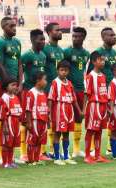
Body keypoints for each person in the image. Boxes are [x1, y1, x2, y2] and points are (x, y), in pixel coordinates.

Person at [0, 17, 23, 163]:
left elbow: (19, 63)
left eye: (15, 25)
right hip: (3, 84)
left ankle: (10, 154)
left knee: (14, 117)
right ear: (4, 27)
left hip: (14, 85)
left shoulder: (17, 42)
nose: (14, 28)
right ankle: (1, 154)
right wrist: (7, 84)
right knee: (2, 117)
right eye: (11, 26)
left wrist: (20, 82)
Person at [87, 28, 116, 155]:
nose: (114, 37)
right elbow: (89, 72)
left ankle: (110, 148)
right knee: (96, 122)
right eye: (111, 35)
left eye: (114, 35)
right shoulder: (97, 52)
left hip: (112, 90)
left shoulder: (114, 52)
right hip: (100, 94)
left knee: (111, 118)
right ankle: (93, 149)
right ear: (103, 37)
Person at [48, 60, 82, 165]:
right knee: (57, 133)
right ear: (58, 70)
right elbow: (50, 99)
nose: (64, 72)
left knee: (66, 134)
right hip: (59, 109)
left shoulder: (69, 83)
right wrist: (49, 113)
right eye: (62, 70)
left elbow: (74, 99)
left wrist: (79, 110)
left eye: (66, 70)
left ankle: (66, 156)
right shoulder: (55, 82)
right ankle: (57, 157)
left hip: (69, 109)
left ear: (68, 72)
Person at [64, 27, 90, 158]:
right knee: (66, 119)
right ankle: (61, 149)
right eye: (73, 36)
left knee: (79, 118)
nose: (75, 38)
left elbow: (87, 71)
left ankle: (76, 149)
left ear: (83, 38)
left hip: (80, 89)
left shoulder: (86, 54)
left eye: (78, 36)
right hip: (68, 90)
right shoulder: (67, 52)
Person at [21, 29, 46, 161]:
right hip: (28, 91)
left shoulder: (43, 55)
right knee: (26, 122)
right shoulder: (27, 55)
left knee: (39, 122)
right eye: (40, 39)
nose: (42, 42)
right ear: (32, 40)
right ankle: (23, 153)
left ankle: (38, 153)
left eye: (43, 39)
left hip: (39, 93)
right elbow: (21, 69)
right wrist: (20, 86)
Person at [84, 51, 110, 164]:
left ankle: (97, 155)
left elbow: (104, 92)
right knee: (91, 130)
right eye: (100, 60)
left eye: (104, 60)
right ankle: (87, 155)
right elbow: (87, 93)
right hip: (94, 105)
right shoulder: (90, 76)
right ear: (94, 62)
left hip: (103, 106)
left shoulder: (103, 76)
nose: (103, 62)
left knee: (99, 131)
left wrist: (108, 106)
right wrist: (84, 108)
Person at [43, 22, 64, 159]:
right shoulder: (44, 49)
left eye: (60, 29)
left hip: (59, 91)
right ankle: (42, 150)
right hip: (46, 89)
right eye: (57, 30)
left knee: (56, 120)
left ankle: (53, 150)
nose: (60, 32)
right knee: (45, 119)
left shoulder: (61, 51)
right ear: (49, 32)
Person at [26, 71, 49, 165]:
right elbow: (28, 108)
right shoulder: (31, 92)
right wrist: (28, 122)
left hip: (43, 120)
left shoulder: (43, 93)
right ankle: (30, 160)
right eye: (44, 79)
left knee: (40, 140)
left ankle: (36, 158)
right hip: (35, 120)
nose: (46, 82)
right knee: (32, 140)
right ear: (38, 81)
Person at [0, 77, 22, 168]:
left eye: (16, 85)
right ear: (6, 86)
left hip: (16, 122)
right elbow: (3, 112)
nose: (15, 87)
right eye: (12, 85)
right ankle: (5, 163)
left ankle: (10, 161)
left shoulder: (16, 97)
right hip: (8, 122)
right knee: (6, 143)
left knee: (12, 143)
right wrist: (5, 125)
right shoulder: (5, 97)